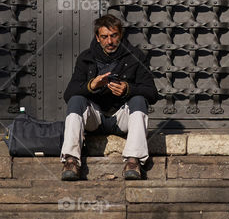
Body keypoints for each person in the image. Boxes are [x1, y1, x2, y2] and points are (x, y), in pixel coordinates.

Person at [60, 14, 158, 181]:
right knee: (76, 100)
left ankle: (133, 162)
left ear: (120, 35)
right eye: (104, 37)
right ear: (98, 38)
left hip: (122, 118)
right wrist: (92, 86)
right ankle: (71, 161)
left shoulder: (135, 56)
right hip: (95, 118)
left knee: (139, 100)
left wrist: (128, 89)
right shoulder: (86, 58)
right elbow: (68, 94)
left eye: (113, 36)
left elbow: (152, 93)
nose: (110, 41)